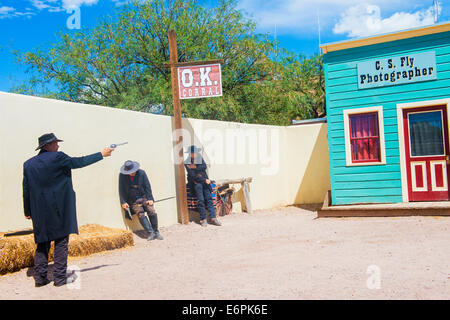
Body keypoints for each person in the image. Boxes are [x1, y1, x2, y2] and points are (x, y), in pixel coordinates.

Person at [23, 133, 114, 287]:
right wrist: (101, 154)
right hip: (59, 208)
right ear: (48, 146)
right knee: (60, 241)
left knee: (42, 243)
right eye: (55, 143)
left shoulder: (28, 164)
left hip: (39, 210)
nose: (58, 146)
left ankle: (40, 279)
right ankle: (59, 278)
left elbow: (26, 189)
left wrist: (27, 211)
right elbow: (79, 162)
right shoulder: (58, 157)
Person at [118, 160, 163, 241]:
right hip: (133, 200)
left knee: (151, 210)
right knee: (140, 214)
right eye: (130, 172)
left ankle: (156, 231)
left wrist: (150, 198)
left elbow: (147, 186)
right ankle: (150, 233)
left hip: (144, 197)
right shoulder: (122, 176)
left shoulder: (142, 173)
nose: (132, 173)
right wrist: (123, 202)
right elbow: (121, 189)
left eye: (133, 171)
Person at [184, 145, 221, 227]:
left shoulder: (199, 158)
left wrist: (195, 167)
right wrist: (204, 179)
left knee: (209, 199)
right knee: (200, 200)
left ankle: (213, 218)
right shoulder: (186, 162)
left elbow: (204, 166)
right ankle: (203, 219)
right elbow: (193, 176)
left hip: (205, 182)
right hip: (196, 183)